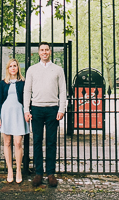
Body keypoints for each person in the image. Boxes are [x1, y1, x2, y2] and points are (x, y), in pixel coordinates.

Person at [23, 42, 67, 187]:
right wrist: (26, 110)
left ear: (50, 52)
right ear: (38, 52)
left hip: (52, 109)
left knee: (51, 142)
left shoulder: (58, 70)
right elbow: (27, 91)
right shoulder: (32, 70)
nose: (44, 52)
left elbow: (62, 91)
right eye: (42, 50)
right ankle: (38, 173)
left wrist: (62, 109)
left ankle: (51, 173)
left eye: (46, 50)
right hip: (36, 108)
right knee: (36, 142)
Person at [0, 58, 30, 184]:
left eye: (15, 65)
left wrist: (28, 111)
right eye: (10, 66)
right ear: (8, 69)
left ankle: (19, 170)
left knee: (18, 142)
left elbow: (27, 98)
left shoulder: (23, 82)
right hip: (6, 114)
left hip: (18, 114)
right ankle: (10, 170)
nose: (13, 68)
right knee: (7, 142)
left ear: (18, 68)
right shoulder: (3, 83)